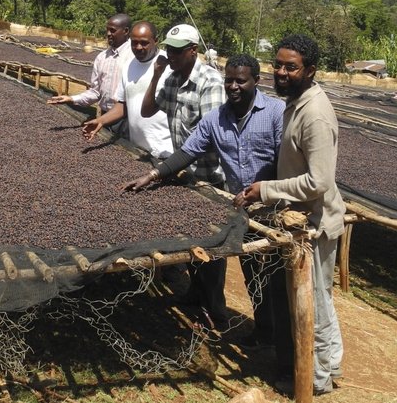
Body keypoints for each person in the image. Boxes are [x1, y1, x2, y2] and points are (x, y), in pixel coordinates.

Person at [124, 54, 288, 361]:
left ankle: (274, 337)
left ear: (256, 81)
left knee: (270, 276)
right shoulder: (217, 118)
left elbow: (285, 160)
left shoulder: (276, 112)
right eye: (229, 80)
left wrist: (263, 188)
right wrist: (152, 175)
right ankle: (256, 329)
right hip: (239, 206)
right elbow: (187, 152)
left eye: (242, 80)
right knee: (249, 270)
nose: (234, 86)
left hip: (274, 207)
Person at [236, 34, 345, 396]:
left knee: (312, 302)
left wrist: (265, 190)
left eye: (291, 67)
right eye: (278, 65)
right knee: (321, 298)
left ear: (310, 70)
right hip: (304, 218)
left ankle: (314, 378)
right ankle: (329, 368)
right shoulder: (296, 102)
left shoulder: (314, 115)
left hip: (314, 224)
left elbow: (318, 181)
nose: (281, 72)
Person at [140, 23, 227, 325]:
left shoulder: (210, 81)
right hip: (184, 173)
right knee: (192, 239)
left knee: (212, 249)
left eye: (177, 51)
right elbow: (147, 110)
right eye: (168, 50)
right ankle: (195, 294)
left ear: (193, 50)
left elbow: (211, 136)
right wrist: (156, 74)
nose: (171, 55)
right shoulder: (173, 78)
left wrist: (163, 170)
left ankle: (215, 310)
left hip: (209, 176)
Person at [82, 21, 173, 159]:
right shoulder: (130, 65)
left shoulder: (169, 64)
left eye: (144, 43)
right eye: (134, 43)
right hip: (137, 149)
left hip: (165, 150)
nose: (138, 47)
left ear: (156, 41)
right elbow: (123, 104)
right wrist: (101, 120)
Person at [47, 14, 133, 134]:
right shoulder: (102, 58)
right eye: (107, 30)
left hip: (128, 120)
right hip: (104, 115)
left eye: (112, 30)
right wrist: (71, 99)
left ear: (126, 31)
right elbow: (95, 92)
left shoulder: (134, 57)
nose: (108, 34)